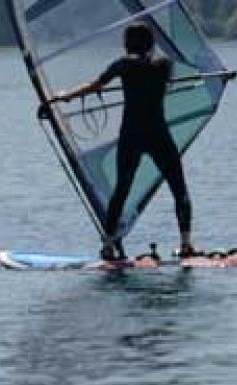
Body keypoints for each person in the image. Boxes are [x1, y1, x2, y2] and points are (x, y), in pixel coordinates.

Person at [49, 23, 197, 262]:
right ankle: (186, 243)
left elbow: (95, 85)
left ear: (130, 43)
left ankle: (108, 246)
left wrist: (65, 97)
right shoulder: (164, 65)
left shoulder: (123, 65)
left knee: (121, 191)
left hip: (132, 136)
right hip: (158, 134)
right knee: (179, 189)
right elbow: (164, 84)